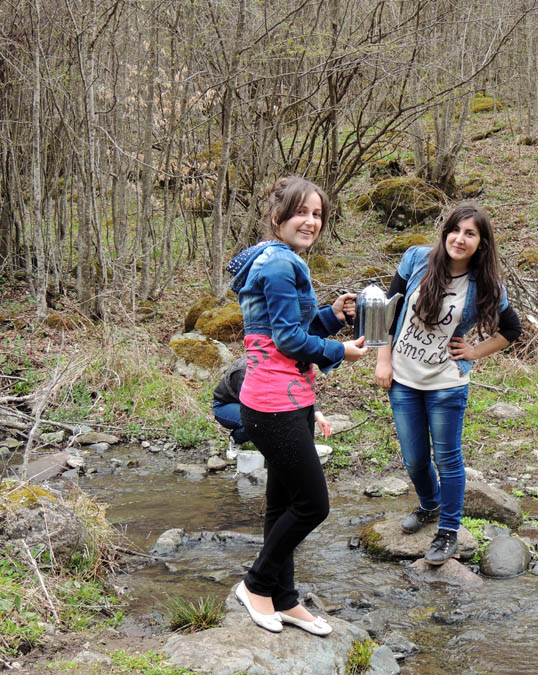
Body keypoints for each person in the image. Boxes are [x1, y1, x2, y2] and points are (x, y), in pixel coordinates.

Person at [227, 176, 366, 634]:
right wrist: (340, 351)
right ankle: (256, 585)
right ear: (277, 218)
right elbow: (288, 340)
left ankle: (283, 597)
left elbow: (282, 328)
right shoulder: (279, 266)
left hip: (290, 398)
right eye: (301, 213)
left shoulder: (277, 260)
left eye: (318, 214)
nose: (311, 222)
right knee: (312, 504)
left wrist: (332, 316)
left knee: (280, 502)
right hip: (273, 405)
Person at [374, 202, 522, 565]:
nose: (460, 238)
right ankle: (430, 505)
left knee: (447, 458)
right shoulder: (416, 260)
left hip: (446, 384)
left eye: (470, 233)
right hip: (403, 379)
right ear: (445, 232)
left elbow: (511, 330)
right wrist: (382, 359)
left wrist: (473, 351)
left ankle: (448, 531)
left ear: (481, 243)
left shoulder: (484, 284)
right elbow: (386, 313)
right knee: (414, 458)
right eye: (455, 230)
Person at [212, 356, 333, 457]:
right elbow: (250, 410)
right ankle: (235, 439)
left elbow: (297, 395)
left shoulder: (278, 368)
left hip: (252, 402)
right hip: (225, 405)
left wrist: (318, 415)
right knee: (256, 422)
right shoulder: (245, 371)